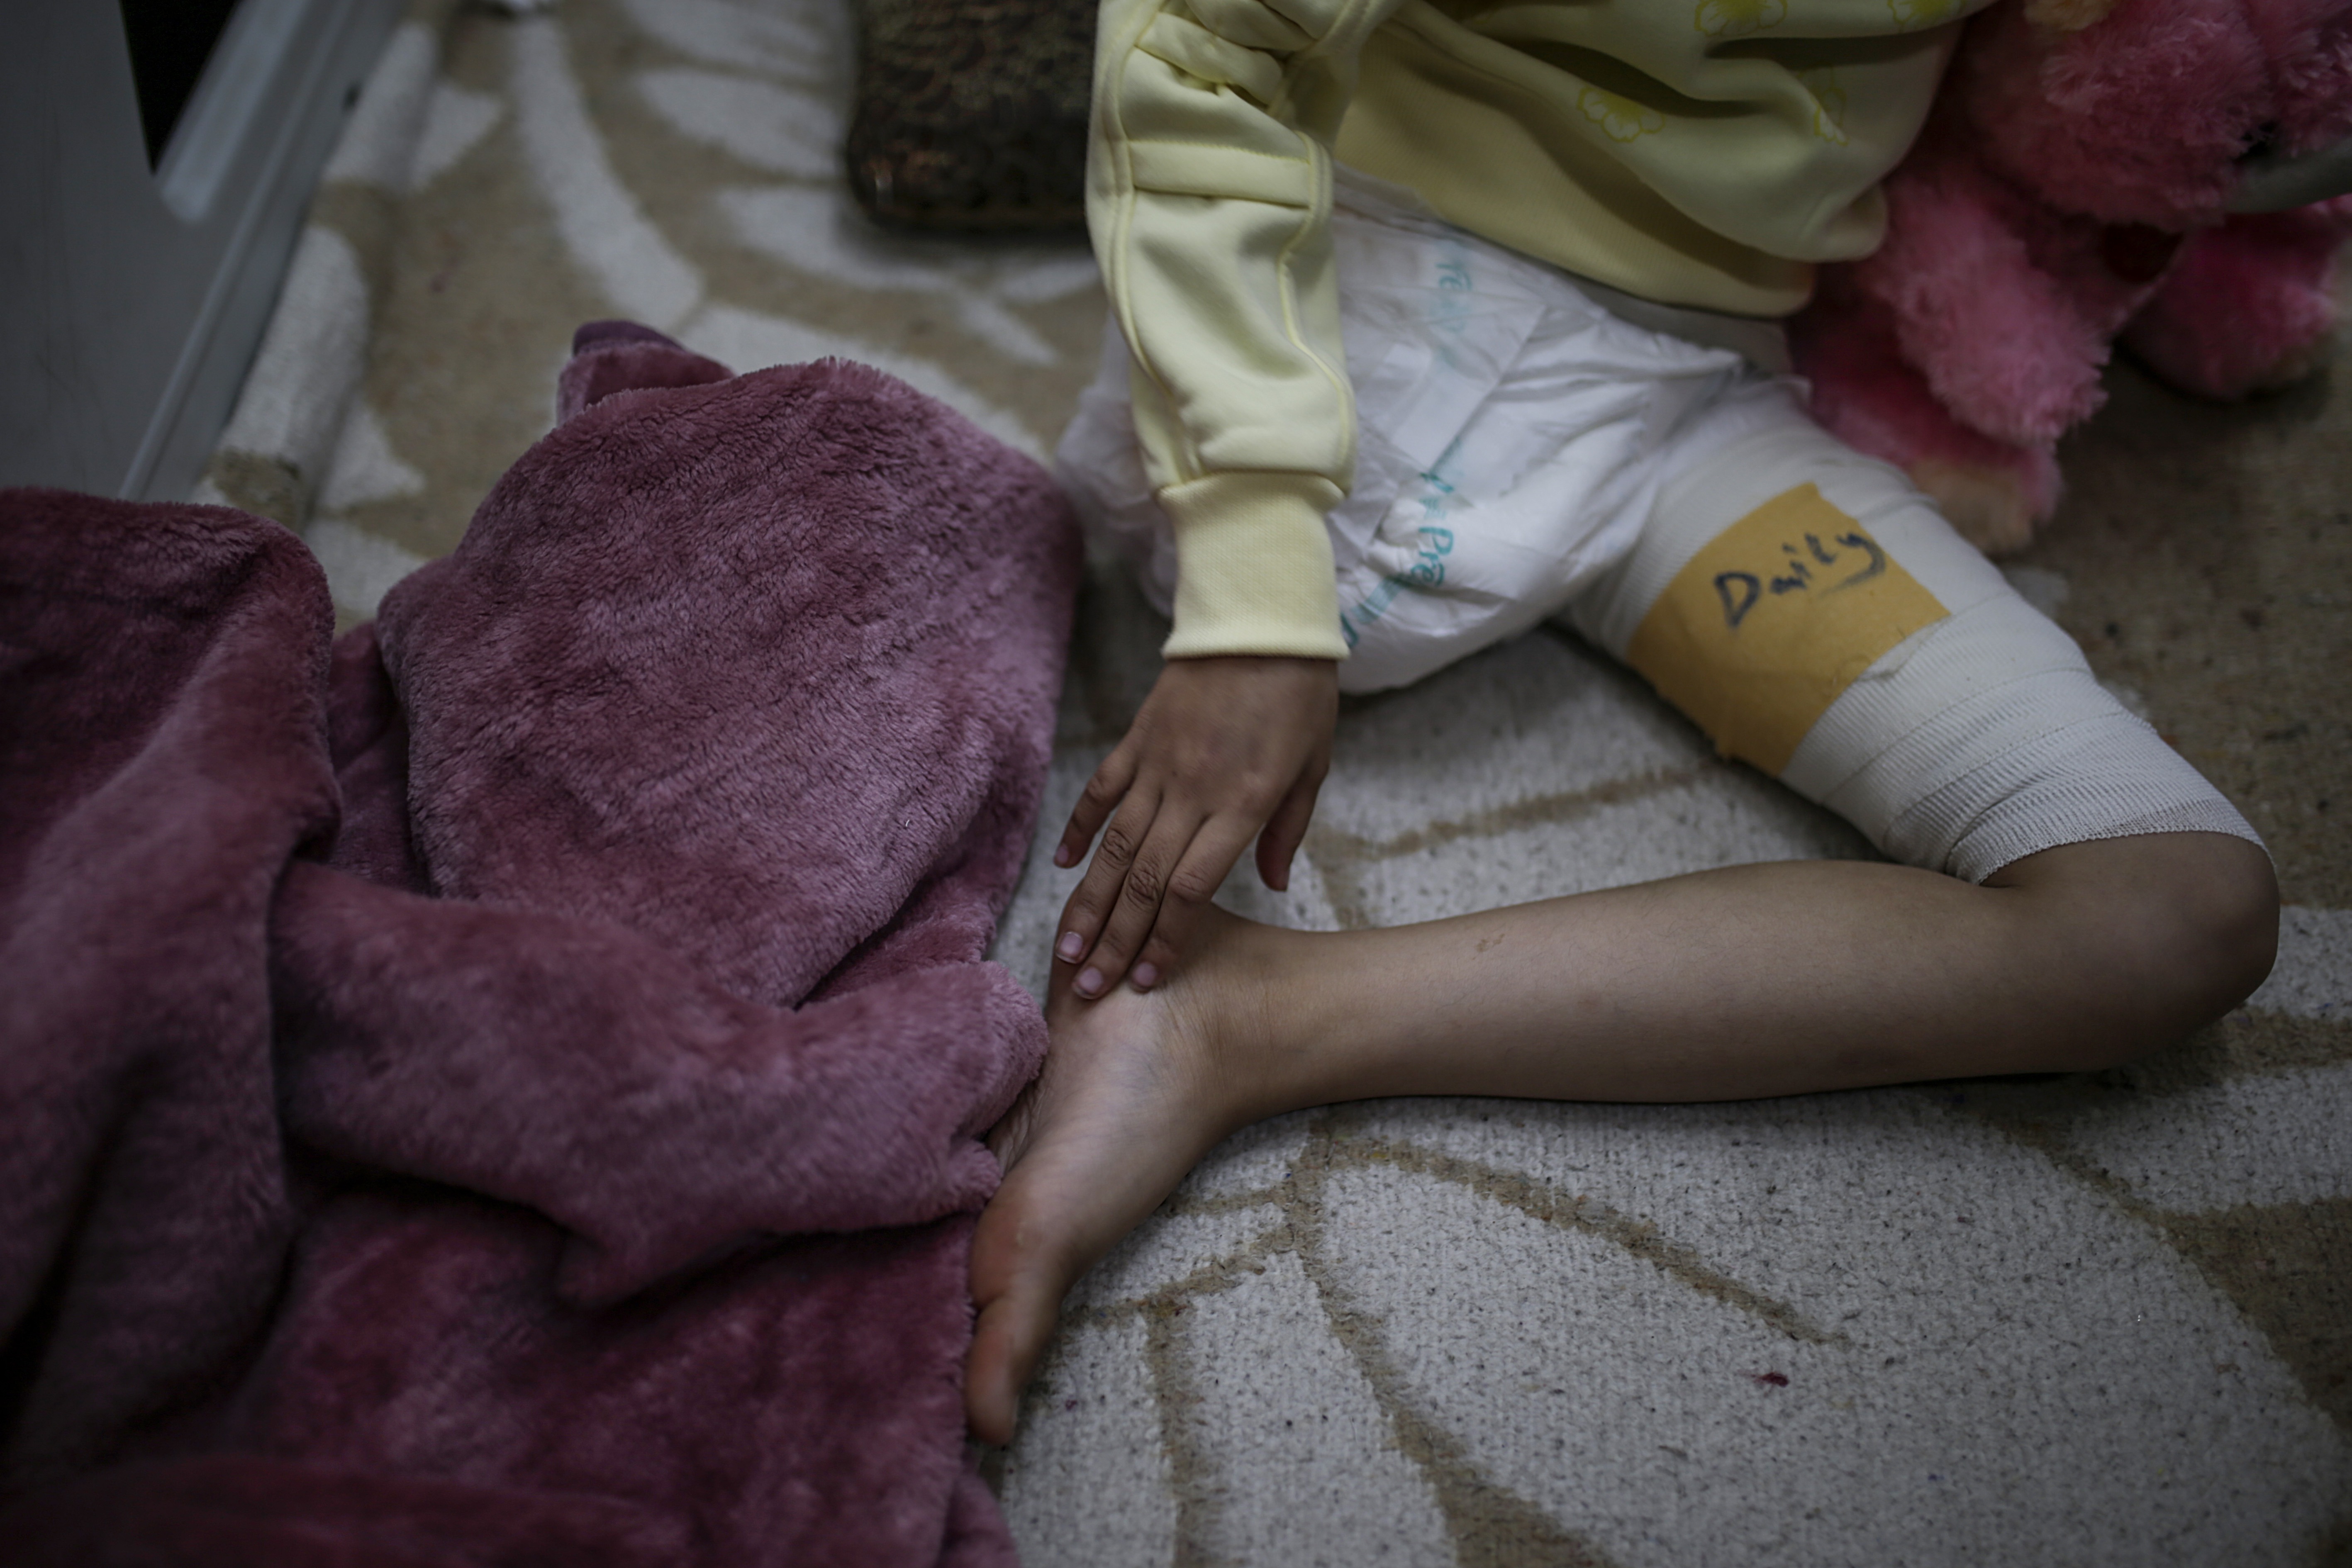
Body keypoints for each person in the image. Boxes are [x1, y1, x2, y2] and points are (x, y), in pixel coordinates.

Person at [962, 0, 2281, 1445]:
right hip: (1354, 295)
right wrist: (1256, 574)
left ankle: (1254, 1017)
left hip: (1687, 404)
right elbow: (1194, 50)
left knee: (2168, 903)